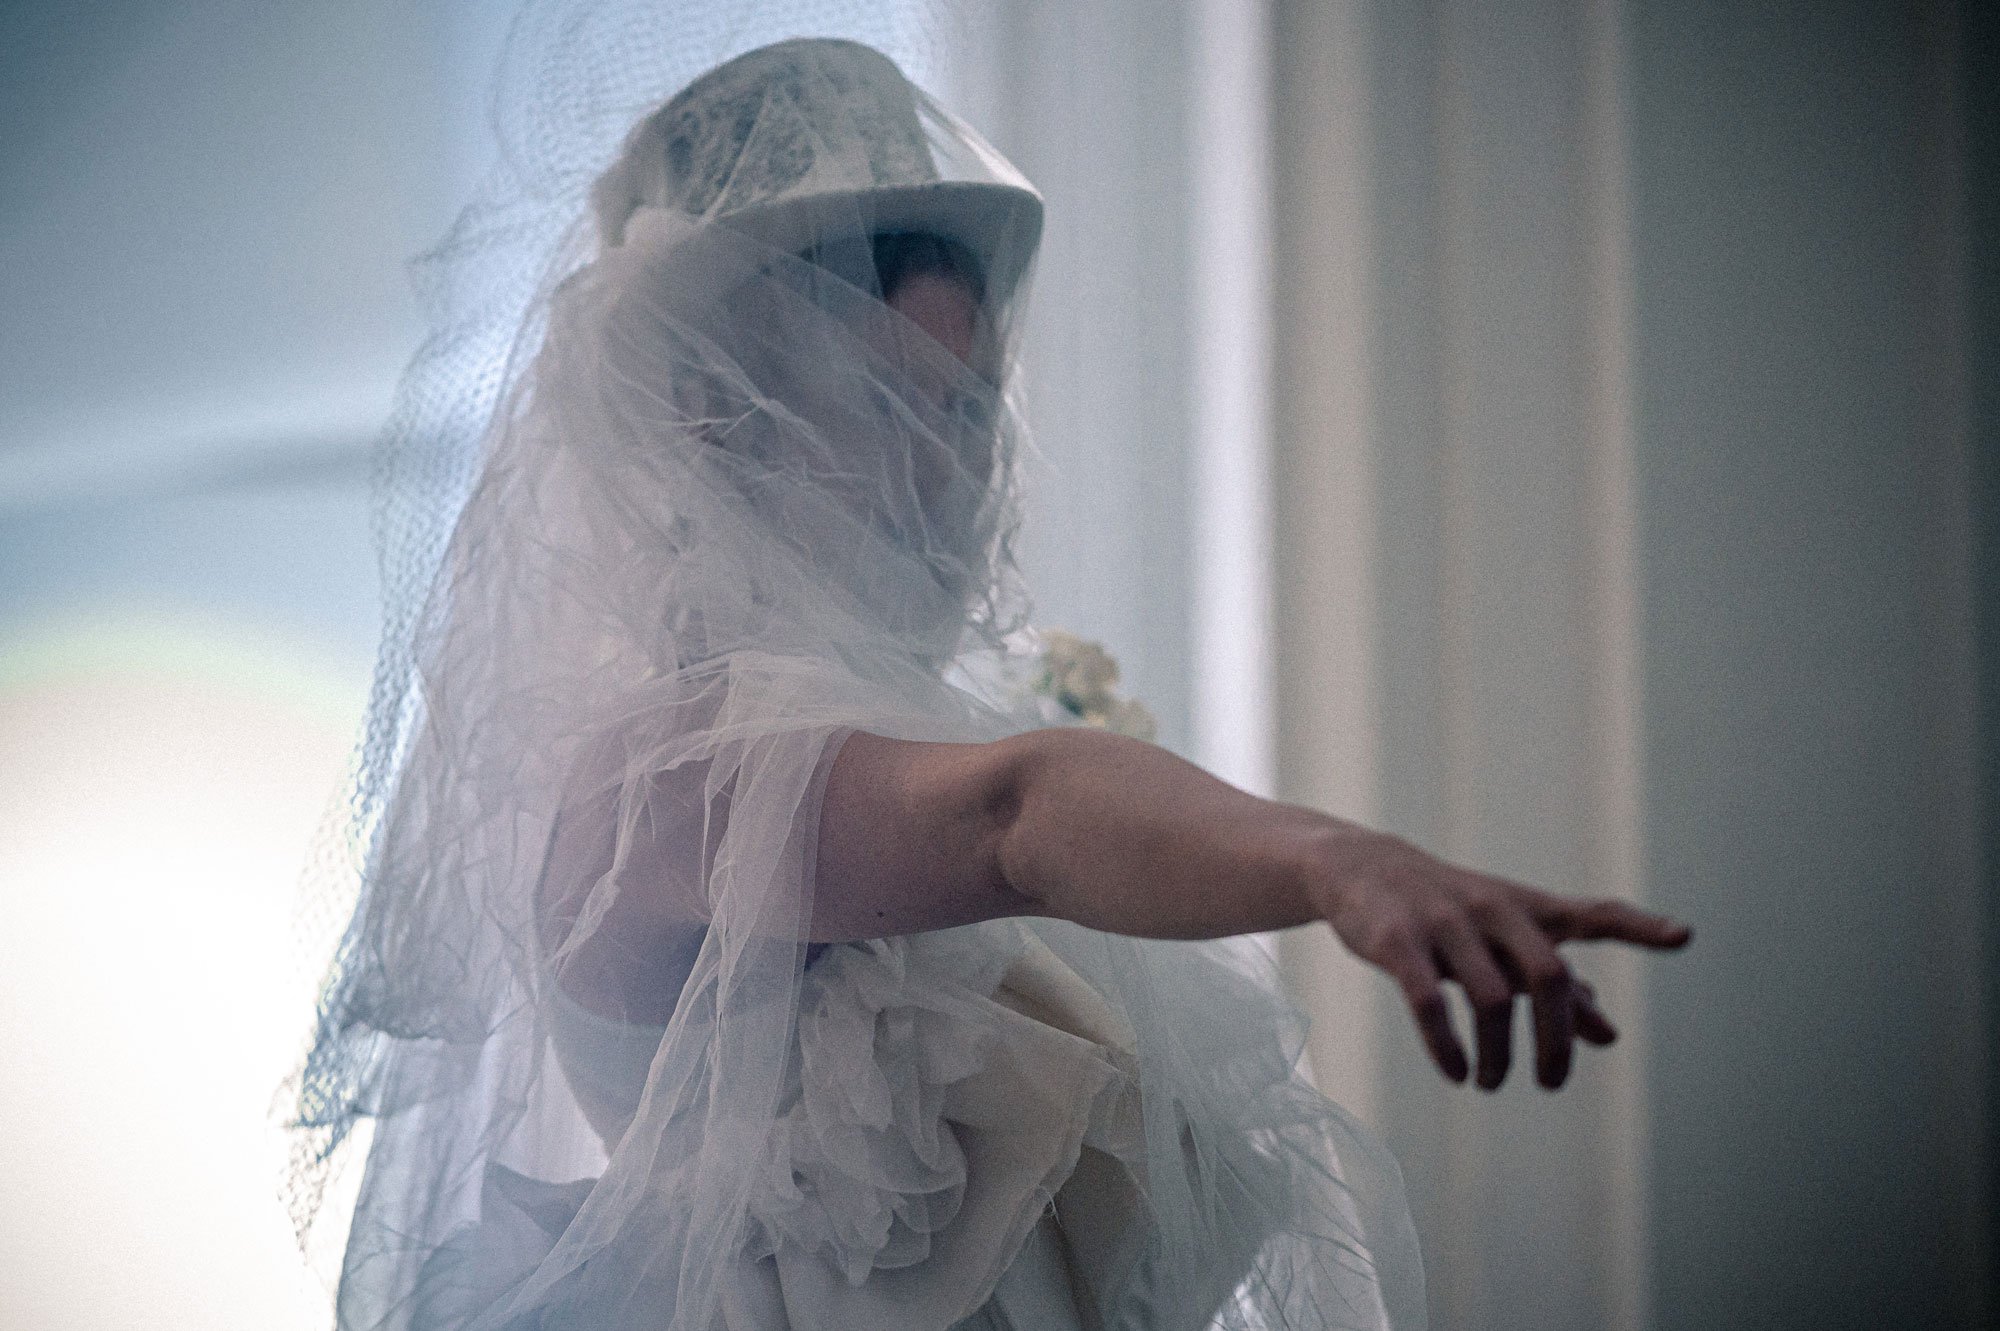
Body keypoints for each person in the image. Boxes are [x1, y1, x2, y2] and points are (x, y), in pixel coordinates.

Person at [286, 35, 1689, 1331]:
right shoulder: (662, 775)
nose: (947, 471)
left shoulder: (918, 729)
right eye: (885, 399)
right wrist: (1334, 860)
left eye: (966, 411)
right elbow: (1011, 815)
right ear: (714, 416)